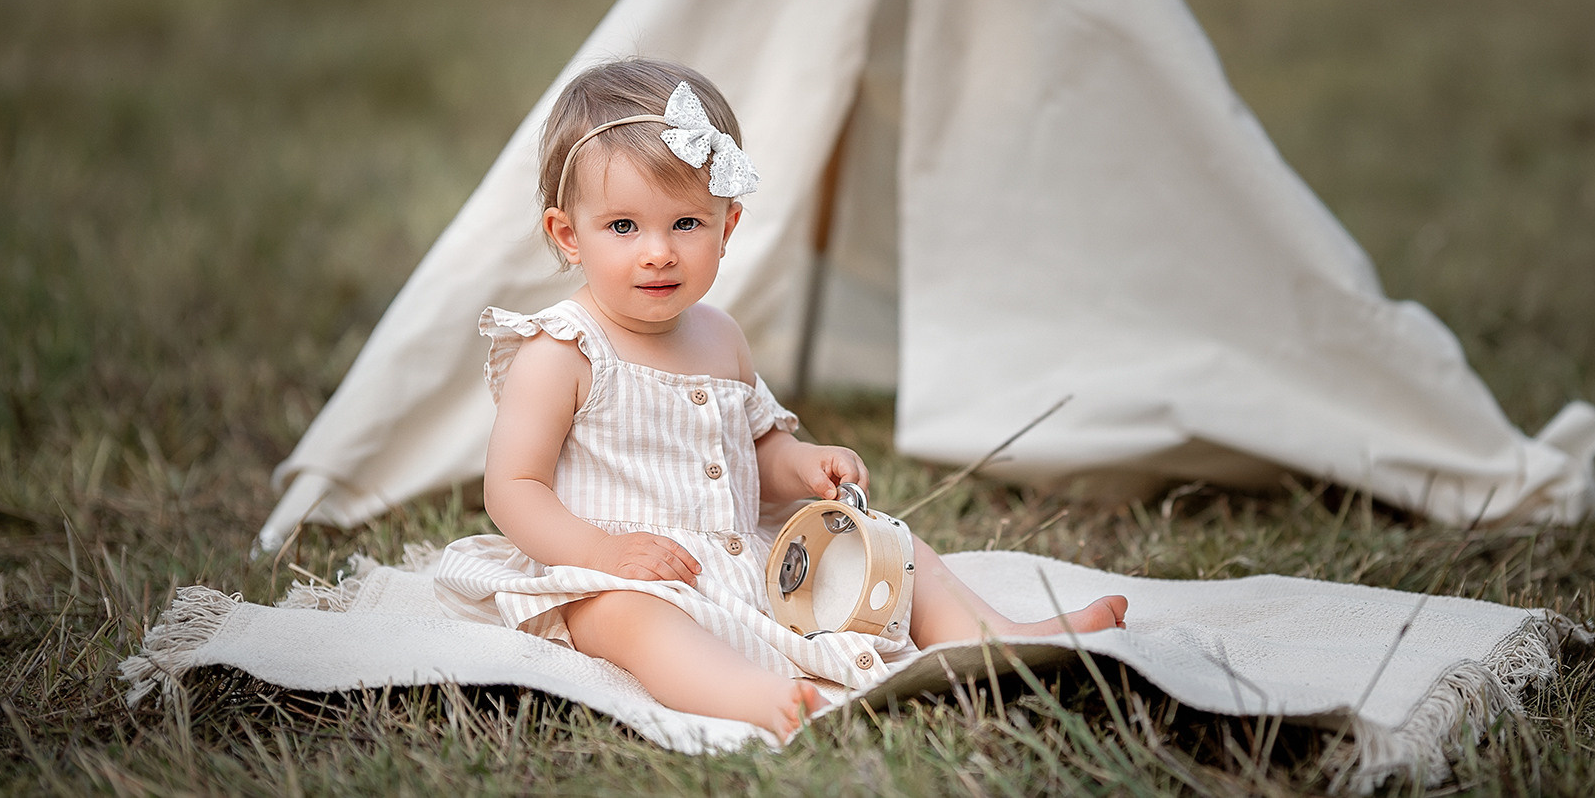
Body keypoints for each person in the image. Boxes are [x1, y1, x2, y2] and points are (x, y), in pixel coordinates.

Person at [436, 58, 1127, 740]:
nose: (658, 252)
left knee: (892, 543)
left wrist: (802, 463)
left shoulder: (720, 337)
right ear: (568, 235)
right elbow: (514, 487)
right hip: (615, 569)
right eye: (623, 227)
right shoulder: (562, 349)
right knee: (628, 617)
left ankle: (989, 639)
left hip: (739, 555)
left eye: (686, 223)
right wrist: (603, 553)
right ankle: (753, 694)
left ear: (727, 226)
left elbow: (756, 447)